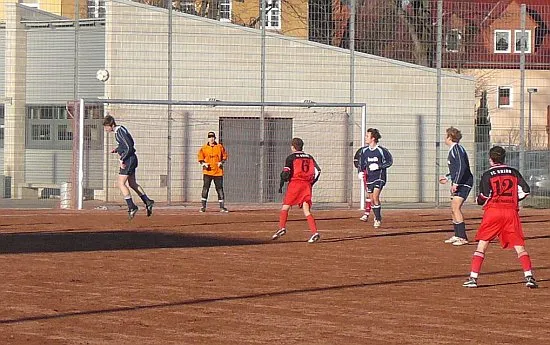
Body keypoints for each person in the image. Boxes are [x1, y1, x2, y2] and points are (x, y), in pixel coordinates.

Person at [463, 146, 538, 288]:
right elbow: (526, 190)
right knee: (519, 246)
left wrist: (479, 201)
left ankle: (473, 278)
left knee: (483, 244)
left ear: (491, 159)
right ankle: (529, 276)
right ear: (504, 158)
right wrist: (514, 200)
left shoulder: (487, 174)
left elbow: (484, 196)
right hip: (510, 212)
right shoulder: (513, 172)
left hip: (493, 212)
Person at [103, 115, 154, 219]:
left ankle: (132, 206)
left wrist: (122, 159)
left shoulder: (119, 132)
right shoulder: (121, 129)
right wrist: (117, 149)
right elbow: (127, 144)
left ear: (112, 125)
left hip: (129, 160)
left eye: (106, 126)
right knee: (132, 183)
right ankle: (147, 201)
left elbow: (129, 147)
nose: (105, 129)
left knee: (121, 183)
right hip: (132, 159)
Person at [272, 137, 321, 243]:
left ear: (293, 147)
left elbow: (286, 172)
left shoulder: (291, 157)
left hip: (295, 184)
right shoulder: (309, 157)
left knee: (286, 206)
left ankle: (282, 227)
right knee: (306, 210)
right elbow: (318, 171)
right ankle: (314, 232)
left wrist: (283, 180)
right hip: (306, 185)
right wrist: (311, 183)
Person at [439, 127, 473, 246]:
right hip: (459, 181)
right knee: (453, 208)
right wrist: (448, 177)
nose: (445, 138)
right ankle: (457, 235)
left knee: (456, 207)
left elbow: (461, 167)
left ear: (449, 137)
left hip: (464, 182)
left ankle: (462, 237)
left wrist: (456, 183)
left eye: (446, 136)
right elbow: (456, 169)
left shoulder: (457, 149)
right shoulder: (454, 149)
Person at [358, 128, 393, 228]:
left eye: (367, 136)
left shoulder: (381, 150)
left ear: (373, 138)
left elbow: (389, 162)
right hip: (370, 177)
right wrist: (360, 172)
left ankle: (377, 219)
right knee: (371, 200)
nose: (365, 138)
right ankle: (377, 216)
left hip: (379, 177)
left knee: (375, 197)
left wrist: (379, 166)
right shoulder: (364, 151)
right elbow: (361, 164)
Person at [197, 131, 228, 213]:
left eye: (213, 137)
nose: (211, 139)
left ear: (215, 138)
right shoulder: (204, 148)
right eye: (210, 137)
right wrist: (204, 163)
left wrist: (221, 162)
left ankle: (222, 207)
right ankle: (203, 206)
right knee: (205, 188)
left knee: (220, 189)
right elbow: (200, 158)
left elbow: (224, 156)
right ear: (208, 138)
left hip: (218, 172)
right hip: (207, 172)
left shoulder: (220, 147)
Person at [354, 146, 372, 222]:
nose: (366, 138)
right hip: (367, 174)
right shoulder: (362, 151)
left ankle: (376, 216)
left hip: (377, 175)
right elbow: (357, 162)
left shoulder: (379, 150)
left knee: (374, 195)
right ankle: (367, 213)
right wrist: (360, 172)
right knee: (369, 193)